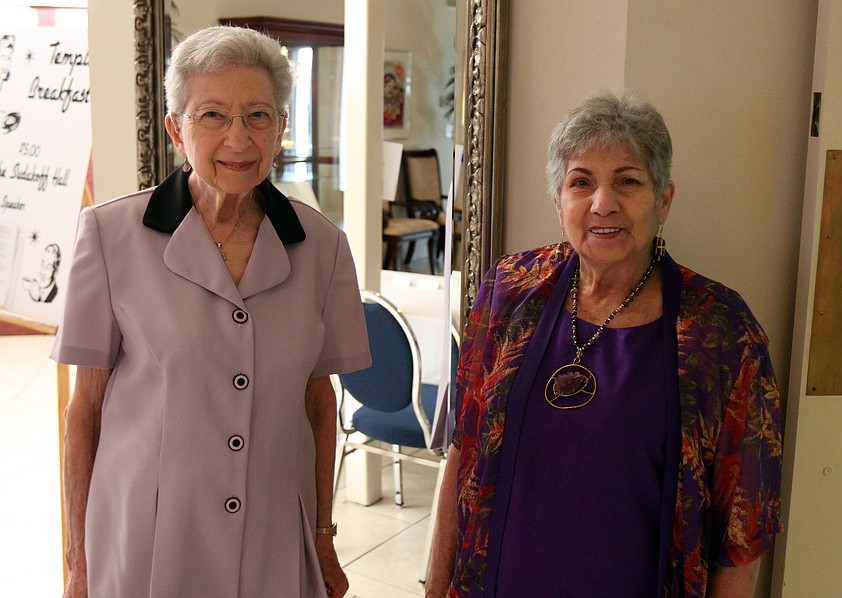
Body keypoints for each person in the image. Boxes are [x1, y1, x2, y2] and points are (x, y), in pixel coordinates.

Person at [54, 26, 370, 598]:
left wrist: (323, 536)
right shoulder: (109, 235)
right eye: (213, 115)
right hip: (147, 534)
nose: (238, 138)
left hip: (274, 529)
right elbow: (85, 412)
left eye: (258, 115)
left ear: (281, 127)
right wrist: (78, 561)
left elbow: (319, 405)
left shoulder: (322, 246)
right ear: (177, 129)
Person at [426, 90, 783, 597]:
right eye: (581, 182)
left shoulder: (722, 331)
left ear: (664, 200)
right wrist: (435, 588)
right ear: (558, 202)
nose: (603, 204)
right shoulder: (509, 291)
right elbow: (463, 452)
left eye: (628, 181)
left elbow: (743, 532)